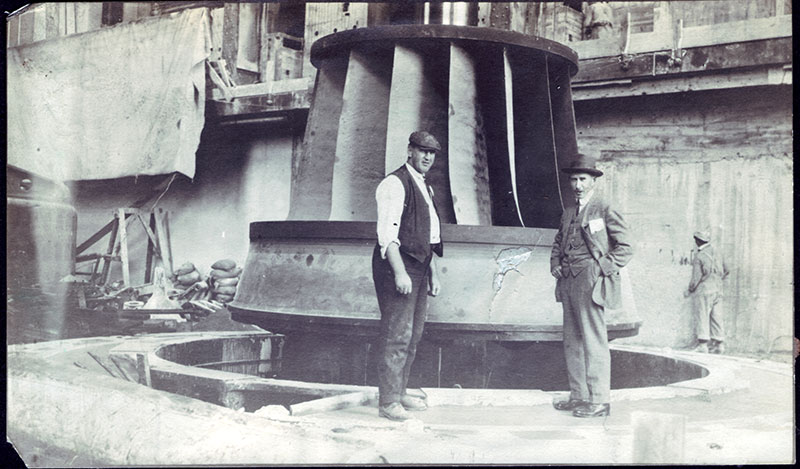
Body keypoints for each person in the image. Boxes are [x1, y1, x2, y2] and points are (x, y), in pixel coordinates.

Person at [550, 153, 633, 418]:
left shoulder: (605, 207)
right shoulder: (568, 212)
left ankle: (600, 400)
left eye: (582, 179)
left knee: (594, 341)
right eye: (574, 179)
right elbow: (557, 242)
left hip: (591, 281)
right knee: (572, 341)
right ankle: (579, 396)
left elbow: (626, 248)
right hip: (568, 282)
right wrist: (555, 265)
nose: (577, 185)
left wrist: (600, 269)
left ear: (593, 180)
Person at [373, 130, 443, 421]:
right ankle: (388, 402)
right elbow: (387, 236)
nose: (427, 156)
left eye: (432, 152)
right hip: (397, 266)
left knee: (413, 335)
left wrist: (432, 274)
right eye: (422, 150)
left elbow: (430, 236)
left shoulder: (425, 186)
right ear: (410, 150)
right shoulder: (394, 183)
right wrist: (400, 273)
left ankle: (400, 392)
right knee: (397, 335)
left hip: (419, 266)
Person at [684, 230, 729, 354]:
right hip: (718, 290)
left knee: (702, 315)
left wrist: (689, 290)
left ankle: (703, 345)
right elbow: (727, 270)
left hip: (705, 290)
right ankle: (719, 345)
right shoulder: (718, 252)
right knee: (717, 317)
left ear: (697, 241)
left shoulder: (700, 256)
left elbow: (696, 278)